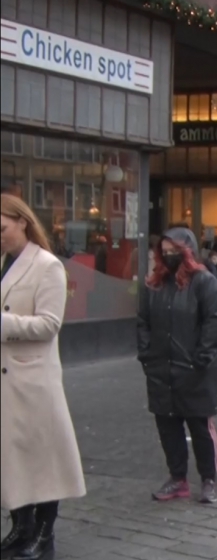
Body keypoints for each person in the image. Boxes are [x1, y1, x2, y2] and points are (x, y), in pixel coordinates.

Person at [1, 194, 87, 560]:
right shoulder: (3, 260)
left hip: (33, 379)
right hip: (5, 381)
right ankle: (20, 528)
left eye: (2, 227)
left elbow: (50, 324)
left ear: (22, 222)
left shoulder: (48, 265)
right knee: (11, 457)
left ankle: (44, 533)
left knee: (43, 457)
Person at [138, 227, 217, 504]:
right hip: (161, 368)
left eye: (173, 251)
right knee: (168, 425)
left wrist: (201, 358)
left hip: (195, 369)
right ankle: (177, 478)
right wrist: (147, 354)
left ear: (186, 251)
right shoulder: (155, 284)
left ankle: (208, 479)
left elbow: (216, 321)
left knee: (199, 425)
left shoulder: (204, 282)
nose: (168, 256)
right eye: (164, 252)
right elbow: (143, 321)